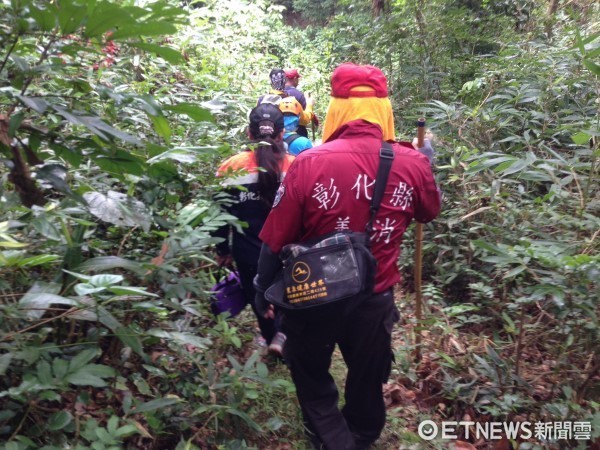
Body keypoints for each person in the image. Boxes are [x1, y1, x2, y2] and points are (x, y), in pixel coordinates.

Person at [253, 63, 441, 449]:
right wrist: (427, 164)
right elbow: (428, 212)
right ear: (384, 111)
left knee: (308, 368)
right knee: (368, 374)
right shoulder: (412, 162)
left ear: (336, 110)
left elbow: (276, 237)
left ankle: (332, 436)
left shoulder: (308, 163)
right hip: (375, 298)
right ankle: (360, 434)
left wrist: (261, 288)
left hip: (314, 294)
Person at [213, 103, 294, 357]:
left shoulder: (230, 168)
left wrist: (222, 249)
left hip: (247, 252)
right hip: (287, 252)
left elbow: (220, 214)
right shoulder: (296, 167)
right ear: (282, 134)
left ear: (249, 134)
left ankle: (270, 335)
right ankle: (283, 334)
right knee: (288, 292)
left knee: (256, 292)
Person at [283, 68, 317, 138]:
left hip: (281, 133)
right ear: (295, 78)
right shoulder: (298, 95)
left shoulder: (278, 92)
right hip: (297, 134)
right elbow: (305, 116)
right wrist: (309, 103)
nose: (298, 82)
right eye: (298, 79)